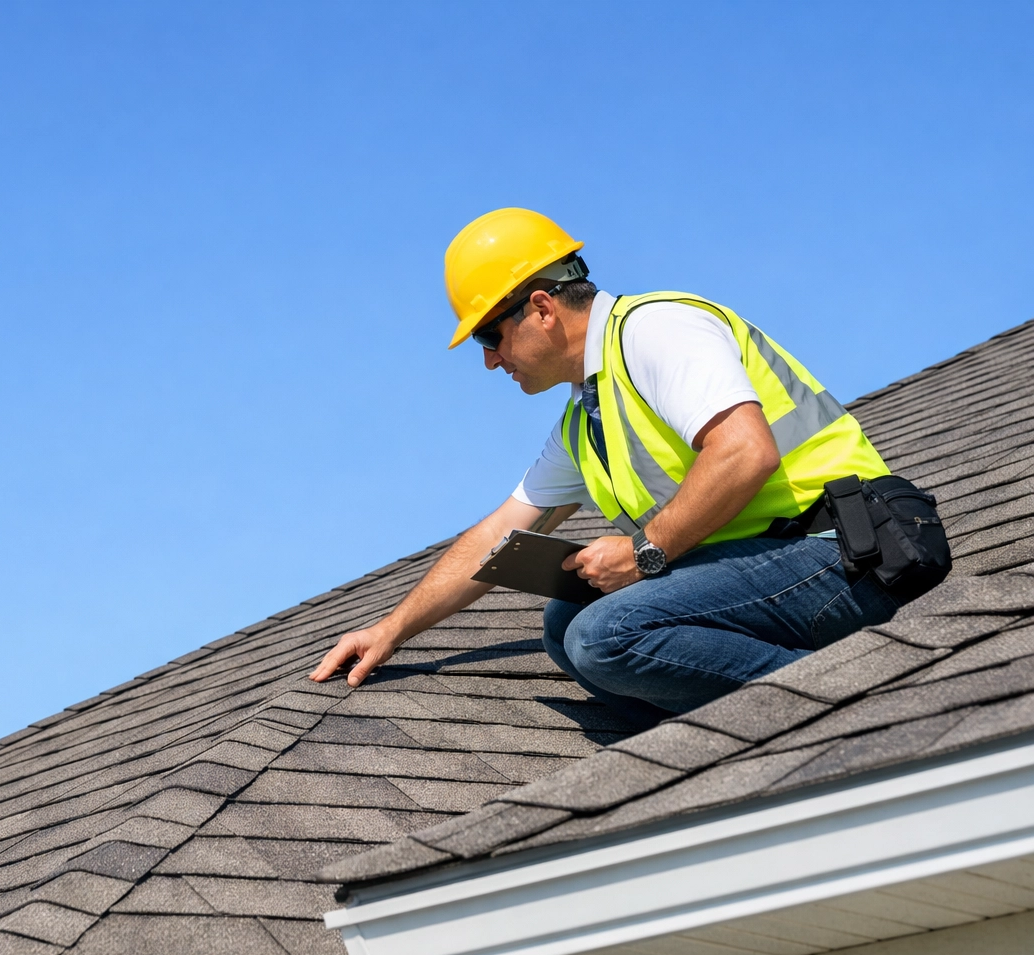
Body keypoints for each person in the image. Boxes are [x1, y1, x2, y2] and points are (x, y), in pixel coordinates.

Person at [309, 208, 905, 731]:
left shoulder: (656, 329)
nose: (490, 361)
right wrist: (393, 629)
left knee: (603, 636)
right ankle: (744, 737)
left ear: (541, 307)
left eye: (490, 336)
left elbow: (745, 452)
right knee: (566, 624)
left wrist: (646, 551)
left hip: (849, 551)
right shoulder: (585, 416)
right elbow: (497, 537)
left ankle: (860, 707)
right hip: (777, 563)